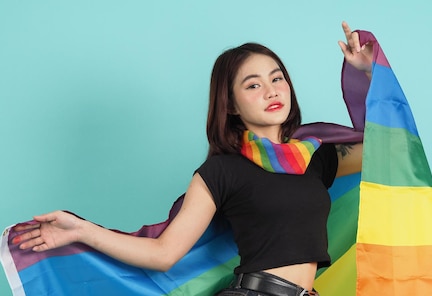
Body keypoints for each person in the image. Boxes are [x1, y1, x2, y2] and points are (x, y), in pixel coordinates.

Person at [10, 21, 372, 296]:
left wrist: (368, 75)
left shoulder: (317, 157)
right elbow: (164, 254)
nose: (271, 91)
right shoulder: (222, 171)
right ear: (230, 104)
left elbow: (391, 152)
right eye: (253, 85)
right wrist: (83, 230)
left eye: (277, 79)